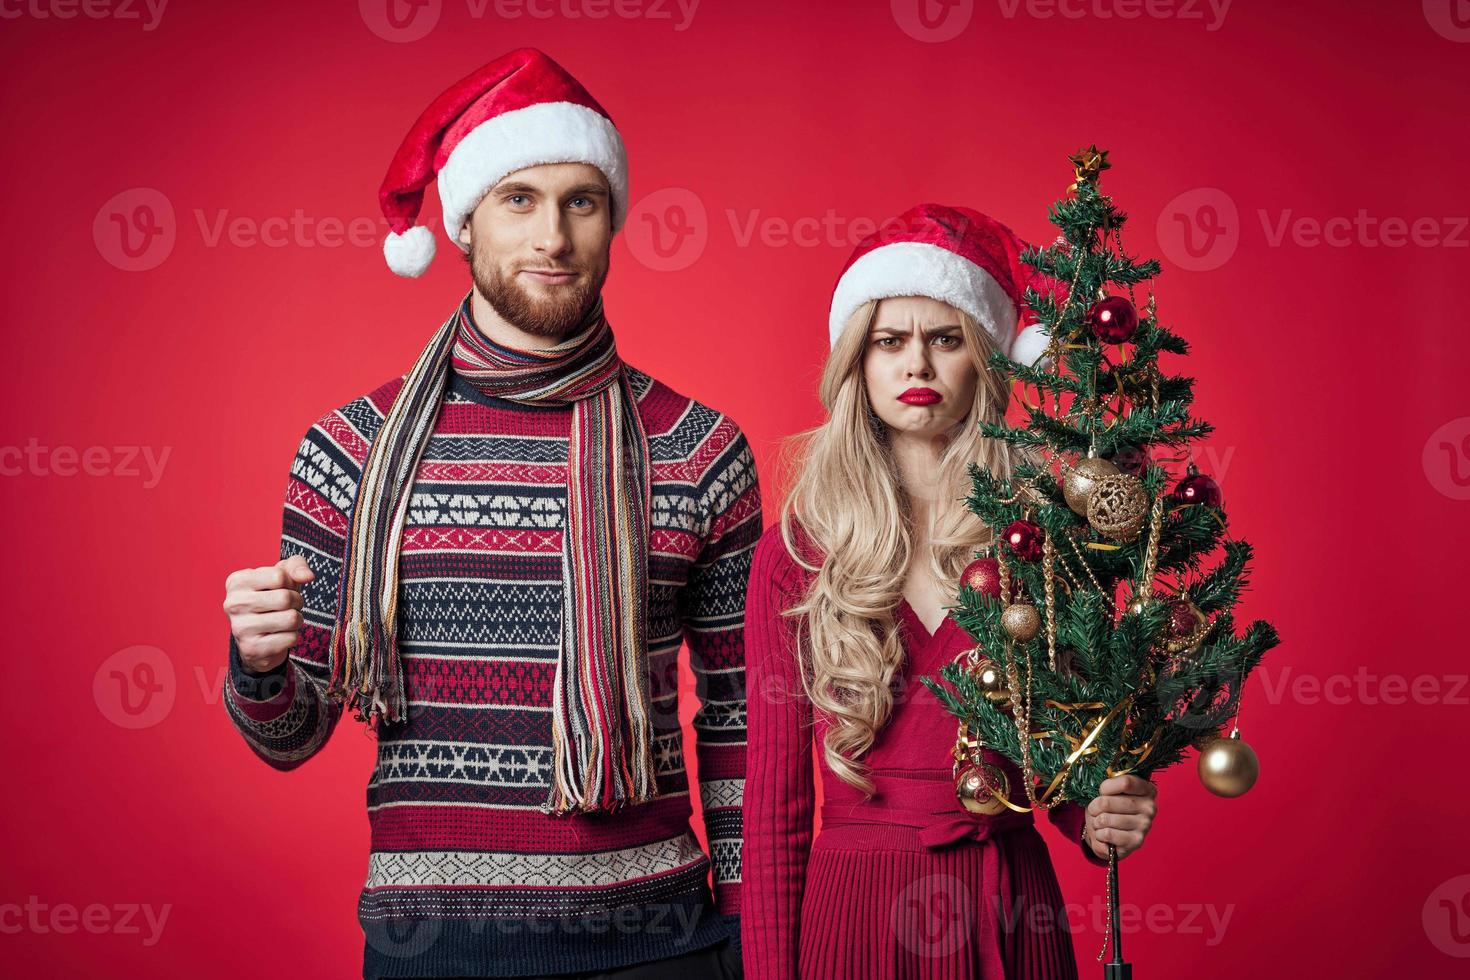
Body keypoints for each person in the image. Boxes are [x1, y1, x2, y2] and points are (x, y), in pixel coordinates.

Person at [219, 48, 756, 980]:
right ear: (464, 224)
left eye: (581, 201)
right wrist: (259, 667)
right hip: (432, 951)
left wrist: (756, 933)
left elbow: (744, 718)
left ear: (613, 220)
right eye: (519, 199)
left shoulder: (700, 447)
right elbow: (293, 739)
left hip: (661, 946)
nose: (552, 234)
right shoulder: (348, 449)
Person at [740, 204, 1159, 979]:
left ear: (989, 360)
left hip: (1005, 903)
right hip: (852, 912)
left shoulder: (1044, 542)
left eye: (946, 339)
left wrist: (1098, 818)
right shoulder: (796, 555)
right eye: (889, 341)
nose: (917, 367)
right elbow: (771, 817)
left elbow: (1059, 759)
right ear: (856, 363)